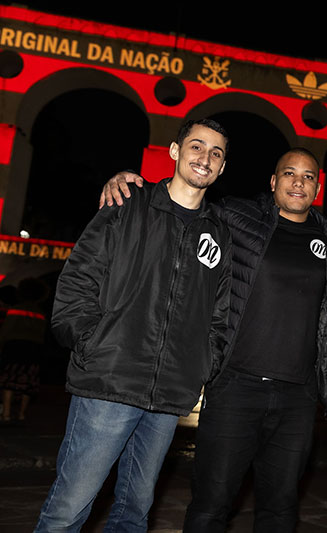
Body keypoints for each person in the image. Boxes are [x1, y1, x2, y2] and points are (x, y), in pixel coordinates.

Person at [100, 147, 327, 532]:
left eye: (308, 176)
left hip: (296, 398)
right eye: (289, 173)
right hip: (235, 386)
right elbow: (184, 201)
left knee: (281, 507)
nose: (298, 182)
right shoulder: (237, 216)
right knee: (212, 503)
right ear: (273, 181)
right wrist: (132, 182)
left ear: (318, 186)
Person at [35, 118, 232, 532]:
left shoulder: (218, 232)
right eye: (196, 147)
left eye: (216, 153)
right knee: (70, 508)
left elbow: (219, 312)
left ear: (222, 168)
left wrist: (202, 364)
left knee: (134, 511)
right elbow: (78, 279)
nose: (205, 158)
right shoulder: (128, 203)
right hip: (109, 380)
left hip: (168, 397)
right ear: (175, 152)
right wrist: (92, 341)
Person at [0, 278, 48, 424]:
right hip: (33, 350)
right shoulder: (41, 313)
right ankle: (21, 414)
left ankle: (6, 414)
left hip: (14, 348)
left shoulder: (16, 309)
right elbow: (43, 333)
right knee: (28, 381)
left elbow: (6, 331)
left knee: (9, 379)